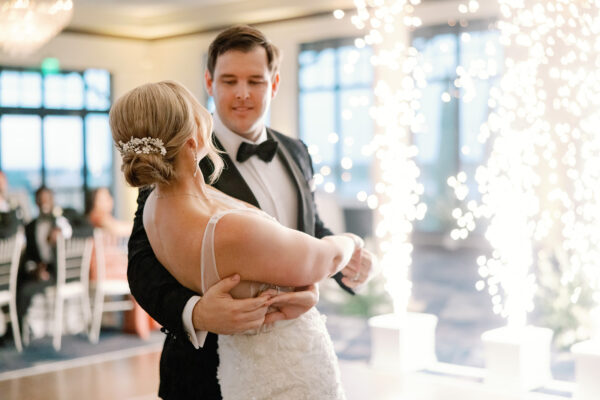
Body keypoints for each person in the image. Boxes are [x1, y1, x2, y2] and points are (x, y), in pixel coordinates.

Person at [126, 26, 376, 400]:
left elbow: (306, 228)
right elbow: (141, 262)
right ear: (209, 83)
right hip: (201, 370)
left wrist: (344, 264)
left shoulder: (296, 150)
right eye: (229, 81)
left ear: (273, 84)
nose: (242, 93)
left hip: (291, 357)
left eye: (255, 81)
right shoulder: (177, 156)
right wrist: (196, 313)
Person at [18, 186, 72, 325]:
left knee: (24, 290)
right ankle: (19, 327)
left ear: (53, 200)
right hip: (40, 270)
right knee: (19, 281)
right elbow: (29, 257)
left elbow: (81, 229)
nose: (44, 202)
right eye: (40, 199)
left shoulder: (61, 221)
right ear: (36, 202)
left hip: (59, 271)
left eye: (47, 198)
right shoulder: (30, 227)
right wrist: (35, 270)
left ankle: (19, 329)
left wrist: (62, 232)